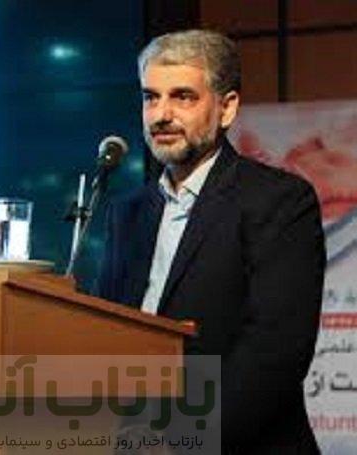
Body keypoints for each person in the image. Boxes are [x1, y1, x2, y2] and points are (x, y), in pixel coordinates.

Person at [97, 30, 326, 454]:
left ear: (227, 108)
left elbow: (274, 352)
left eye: (182, 97)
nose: (161, 114)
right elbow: (105, 336)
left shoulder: (278, 200)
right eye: (150, 97)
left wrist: (179, 440)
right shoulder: (126, 213)